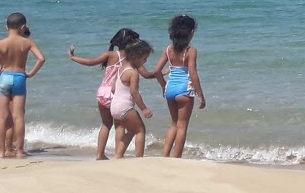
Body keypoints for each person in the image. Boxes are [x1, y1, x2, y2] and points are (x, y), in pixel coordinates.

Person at [68, 28, 141, 161]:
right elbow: (144, 73)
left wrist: (73, 57)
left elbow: (90, 62)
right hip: (116, 94)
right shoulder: (131, 58)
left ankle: (99, 154)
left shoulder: (110, 55)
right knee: (120, 125)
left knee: (106, 125)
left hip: (102, 93)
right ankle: (119, 155)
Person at [0, 12, 45, 158]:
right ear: (23, 27)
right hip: (19, 77)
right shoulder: (28, 42)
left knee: (2, 117)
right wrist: (31, 73)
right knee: (18, 117)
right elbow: (41, 59)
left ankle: (0, 152)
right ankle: (20, 151)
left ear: (6, 27)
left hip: (4, 77)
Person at [153, 15, 204, 158]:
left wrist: (164, 86)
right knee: (182, 126)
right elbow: (192, 73)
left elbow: (157, 71)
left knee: (174, 124)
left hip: (170, 89)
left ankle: (165, 155)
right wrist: (200, 94)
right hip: (184, 90)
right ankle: (177, 158)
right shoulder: (190, 51)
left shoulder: (168, 50)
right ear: (191, 32)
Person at [110, 39, 156, 158]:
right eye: (144, 59)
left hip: (114, 106)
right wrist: (144, 109)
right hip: (125, 107)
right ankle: (139, 158)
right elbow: (134, 92)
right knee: (140, 130)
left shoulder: (121, 68)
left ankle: (118, 154)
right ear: (135, 56)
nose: (145, 62)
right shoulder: (133, 73)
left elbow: (114, 86)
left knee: (131, 130)